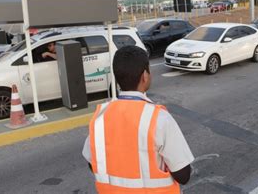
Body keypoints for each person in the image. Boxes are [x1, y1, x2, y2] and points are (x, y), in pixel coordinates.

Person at [82, 45, 194, 193]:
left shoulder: (101, 117)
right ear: (145, 76)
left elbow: (92, 162)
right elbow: (183, 175)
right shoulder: (159, 118)